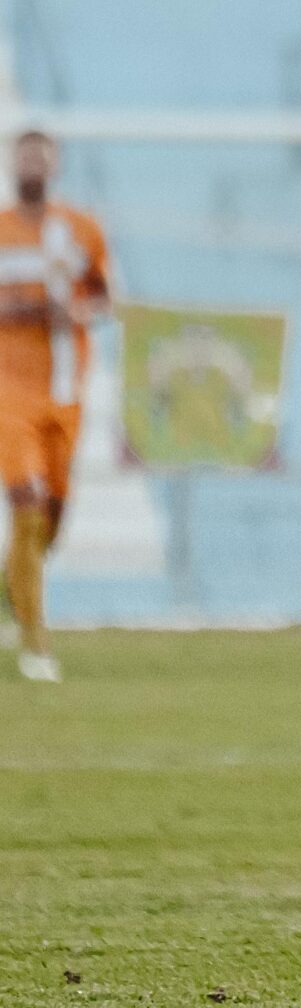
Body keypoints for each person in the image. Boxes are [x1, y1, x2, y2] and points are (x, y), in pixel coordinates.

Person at [1, 130, 112, 684]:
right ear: (12, 164)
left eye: (41, 156)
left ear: (56, 165)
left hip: (65, 390)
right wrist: (24, 307)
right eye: (24, 156)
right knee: (25, 502)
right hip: (8, 392)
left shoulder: (81, 230)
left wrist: (76, 310)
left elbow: (101, 296)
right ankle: (34, 642)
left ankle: (8, 591)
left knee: (54, 518)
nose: (32, 165)